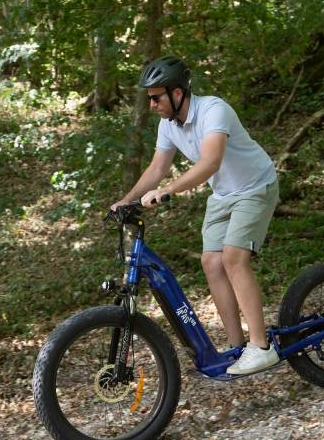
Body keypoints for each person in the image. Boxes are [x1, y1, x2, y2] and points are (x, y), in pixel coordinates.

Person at [111, 55, 279, 375]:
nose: (152, 105)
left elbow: (210, 162)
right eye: (148, 98)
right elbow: (157, 168)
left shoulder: (214, 110)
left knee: (232, 258)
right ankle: (237, 348)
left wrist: (169, 190)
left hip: (255, 188)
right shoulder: (168, 126)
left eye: (156, 97)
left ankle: (261, 347)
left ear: (177, 93)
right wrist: (125, 200)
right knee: (211, 262)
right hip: (224, 194)